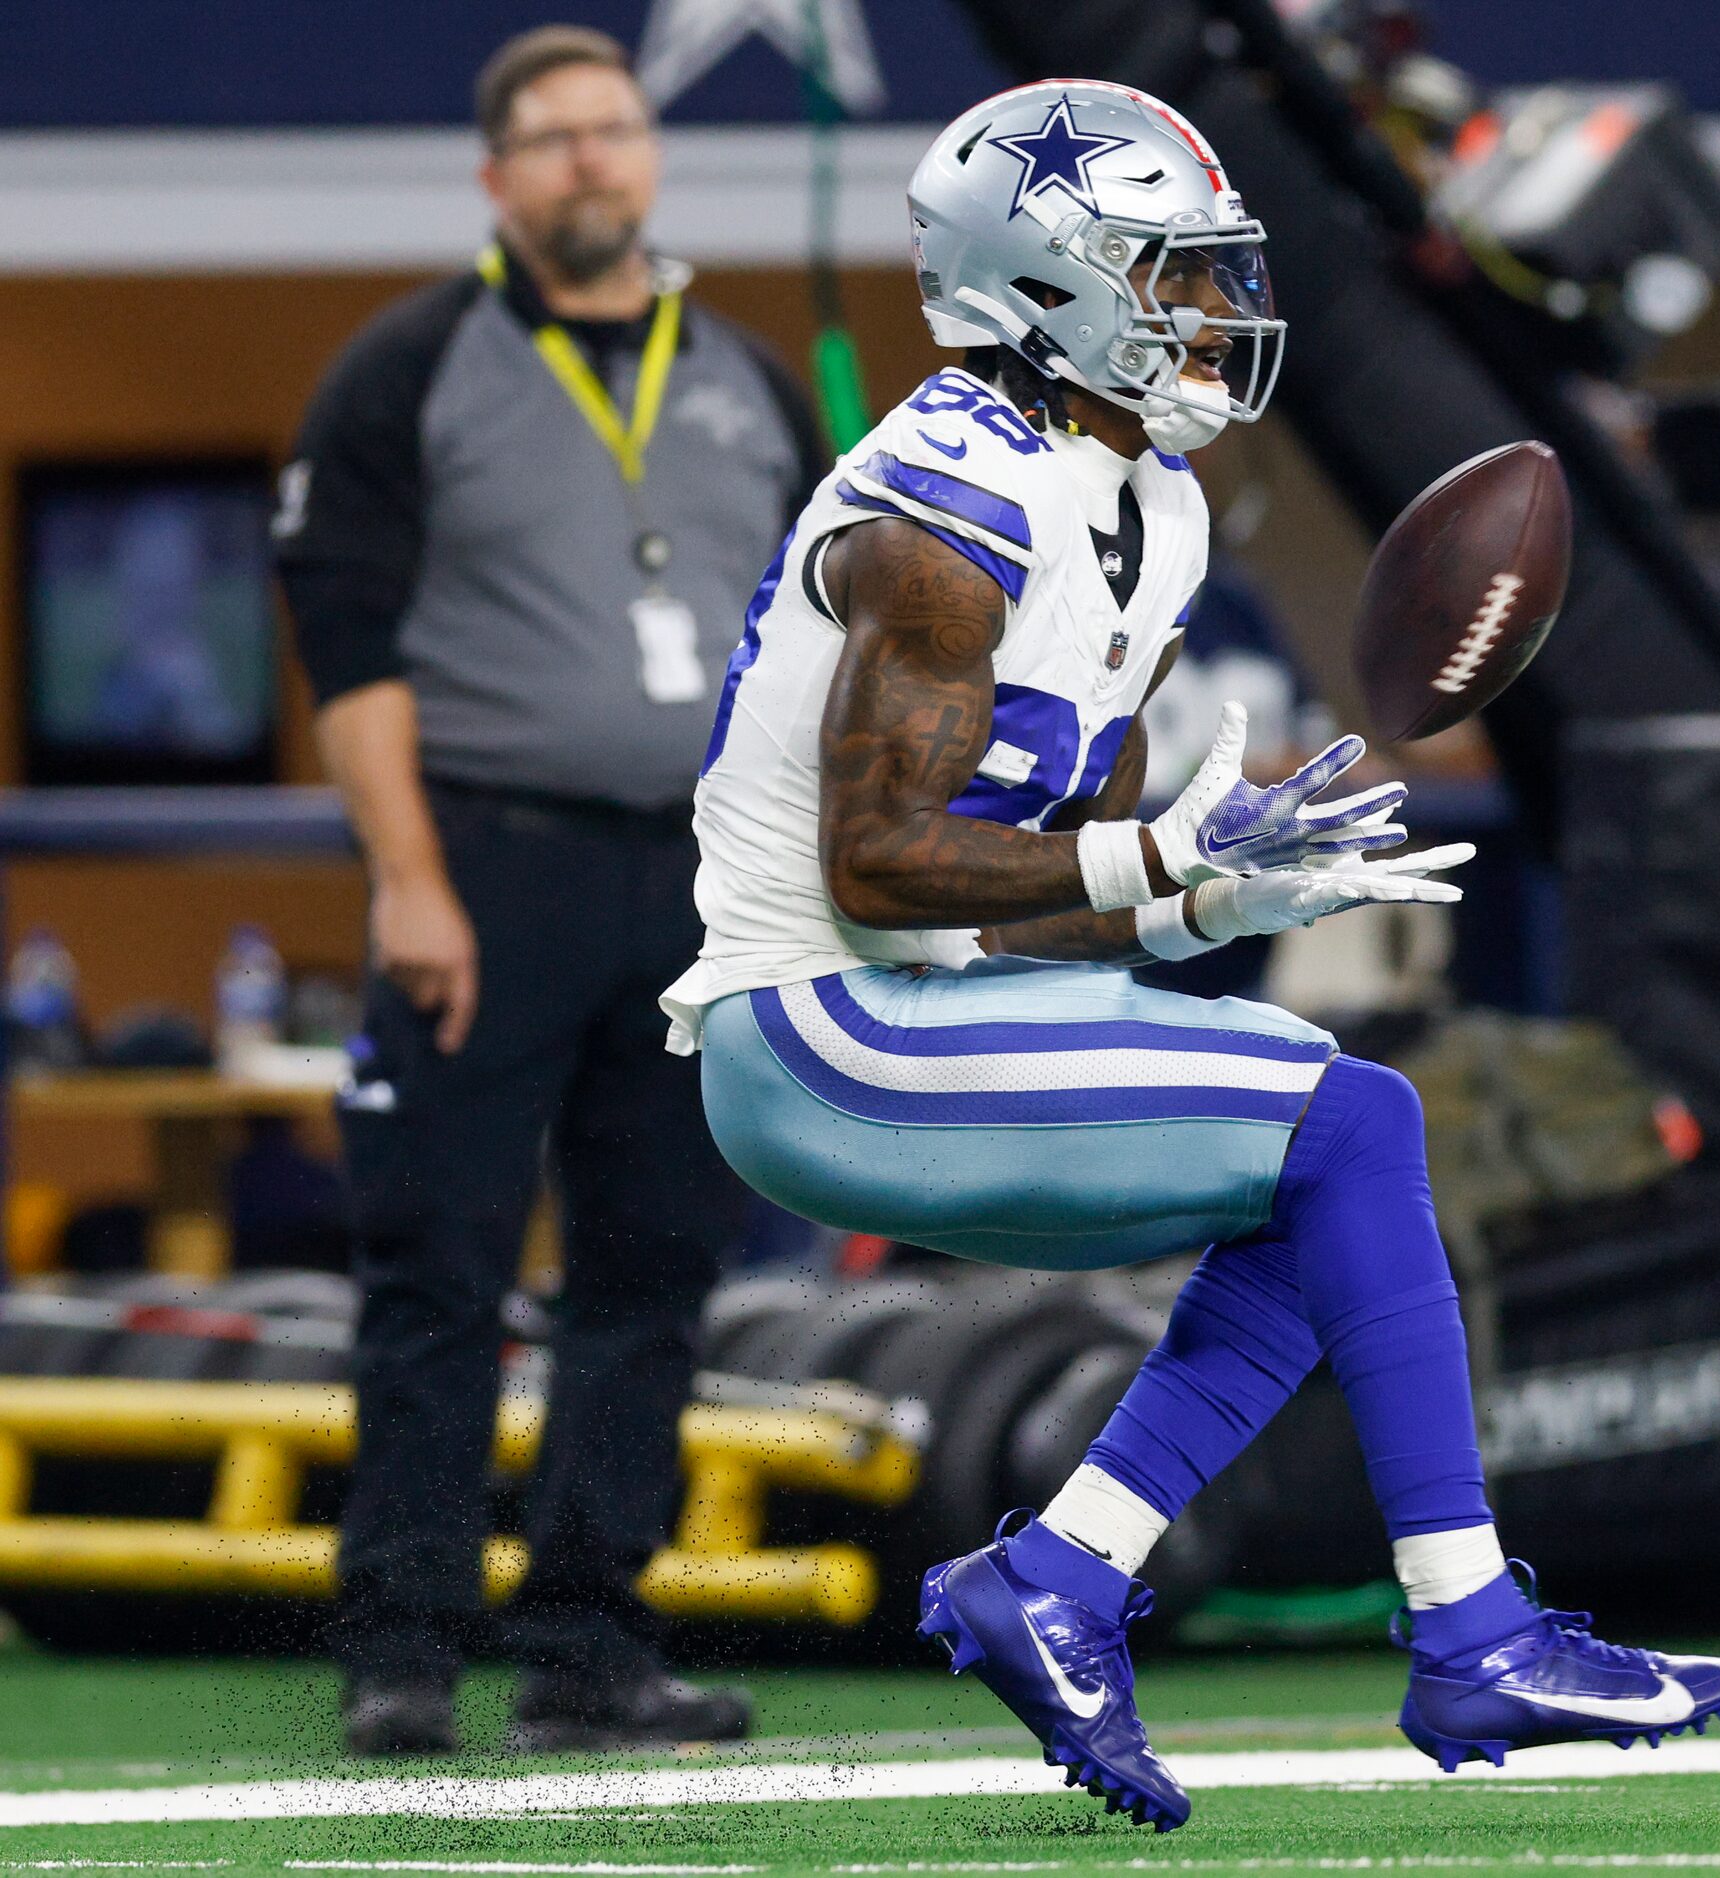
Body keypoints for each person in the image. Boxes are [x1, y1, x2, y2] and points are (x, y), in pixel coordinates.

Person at [663, 80, 1720, 1832]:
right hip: (824, 1034)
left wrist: (1202, 902)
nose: (1211, 313)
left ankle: (1067, 1575)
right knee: (1357, 1123)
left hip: (930, 1001)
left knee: (1311, 1177)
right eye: (1172, 275)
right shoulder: (937, 516)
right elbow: (879, 863)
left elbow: (1030, 880)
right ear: (1051, 286)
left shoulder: (1148, 506)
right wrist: (1166, 854)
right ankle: (1471, 1623)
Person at [273, 25, 828, 1757]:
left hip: (700, 873)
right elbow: (345, 646)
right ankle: (404, 1647)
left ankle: (594, 1645)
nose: (594, 159)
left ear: (648, 155)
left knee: (654, 1268)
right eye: (556, 138)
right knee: (434, 1261)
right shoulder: (406, 368)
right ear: (497, 178)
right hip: (488, 865)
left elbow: (816, 650)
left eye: (618, 129)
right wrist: (409, 880)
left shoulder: (742, 373)